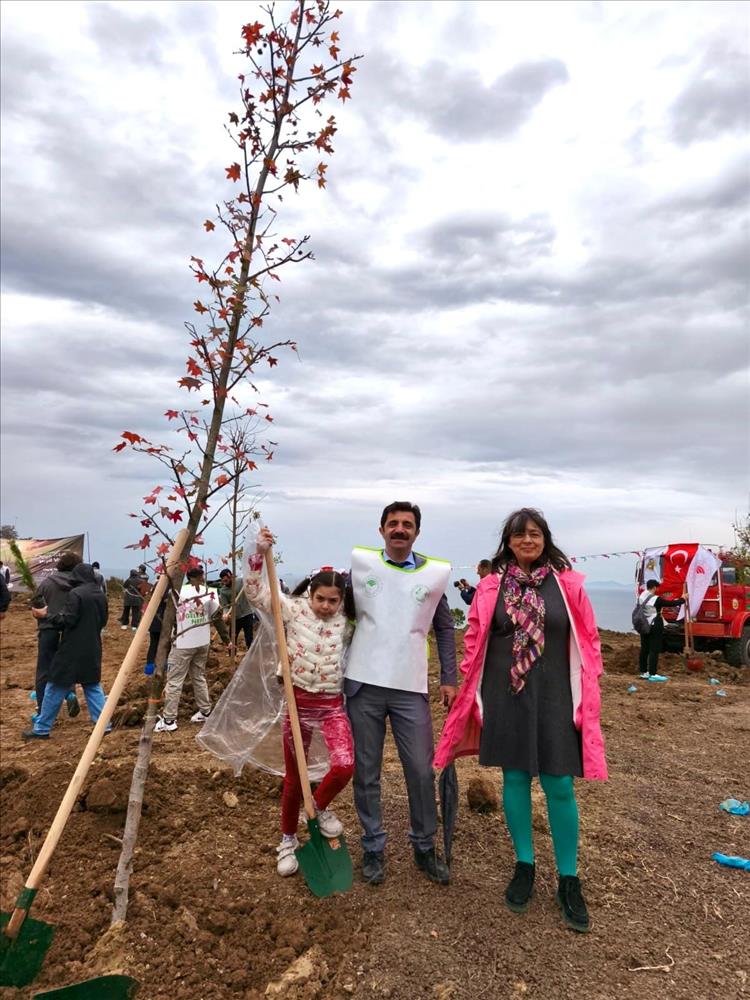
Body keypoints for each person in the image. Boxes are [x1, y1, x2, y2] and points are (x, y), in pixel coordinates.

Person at [434, 508, 608, 933]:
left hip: (555, 695)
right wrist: (465, 686)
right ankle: (524, 865)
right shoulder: (491, 586)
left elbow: (588, 638)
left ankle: (569, 878)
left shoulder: (566, 585)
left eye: (534, 534)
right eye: (518, 535)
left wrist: (593, 685)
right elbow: (475, 635)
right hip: (506, 694)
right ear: (507, 543)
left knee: (559, 784)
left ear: (545, 538)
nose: (527, 540)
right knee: (514, 778)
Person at [345, 501, 456, 887]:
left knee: (421, 770)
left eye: (407, 524)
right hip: (362, 685)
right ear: (381, 530)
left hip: (410, 687)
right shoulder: (362, 568)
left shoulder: (434, 576)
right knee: (367, 770)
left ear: (416, 532)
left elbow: (444, 627)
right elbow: (335, 612)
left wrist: (448, 676)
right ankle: (373, 844)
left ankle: (423, 845)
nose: (399, 529)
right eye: (393, 523)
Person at [244, 528, 355, 877]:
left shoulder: (347, 623)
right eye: (320, 599)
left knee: (345, 765)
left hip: (332, 705)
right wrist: (258, 554)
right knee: (295, 778)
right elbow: (255, 591)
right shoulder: (291, 611)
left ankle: (317, 810)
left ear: (340, 601)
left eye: (332, 601)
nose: (325, 606)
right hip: (297, 704)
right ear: (310, 594)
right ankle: (288, 838)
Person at [23, 563, 109, 740]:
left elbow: (67, 621)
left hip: (71, 649)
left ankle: (42, 728)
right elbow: (104, 621)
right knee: (92, 686)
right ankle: (103, 725)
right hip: (93, 646)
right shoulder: (100, 594)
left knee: (55, 686)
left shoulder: (76, 594)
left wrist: (46, 615)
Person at [155, 566, 222, 732]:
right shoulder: (209, 592)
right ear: (200, 576)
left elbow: (166, 614)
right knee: (198, 676)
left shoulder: (178, 592)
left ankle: (169, 719)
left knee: (175, 680)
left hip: (184, 642)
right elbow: (218, 616)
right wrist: (226, 638)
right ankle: (205, 711)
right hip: (202, 641)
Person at [31, 552, 82, 719]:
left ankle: (42, 710)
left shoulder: (47, 583)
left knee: (44, 670)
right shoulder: (79, 585)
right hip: (70, 631)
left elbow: (37, 607)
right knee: (67, 665)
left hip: (48, 630)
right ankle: (70, 693)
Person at [637, 579, 684, 680]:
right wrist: (683, 599)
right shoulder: (655, 599)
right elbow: (670, 604)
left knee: (644, 649)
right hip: (654, 624)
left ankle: (643, 672)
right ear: (654, 587)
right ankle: (653, 674)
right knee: (654, 649)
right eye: (657, 588)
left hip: (643, 624)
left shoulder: (641, 596)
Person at [218, 568, 256, 651]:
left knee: (249, 637)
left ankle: (250, 654)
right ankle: (232, 656)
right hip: (235, 617)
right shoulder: (223, 591)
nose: (224, 582)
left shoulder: (241, 581)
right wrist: (225, 614)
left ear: (231, 577)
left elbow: (252, 583)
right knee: (232, 637)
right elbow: (225, 606)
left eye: (226, 580)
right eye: (223, 581)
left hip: (247, 613)